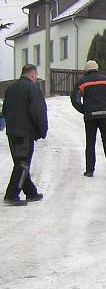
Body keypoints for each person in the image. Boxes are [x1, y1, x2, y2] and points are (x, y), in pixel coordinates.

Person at [2, 64, 47, 206]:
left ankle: (31, 192)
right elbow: (38, 111)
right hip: (25, 132)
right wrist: (42, 130)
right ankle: (12, 195)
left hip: (12, 132)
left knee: (20, 162)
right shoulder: (33, 88)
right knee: (23, 163)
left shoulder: (11, 88)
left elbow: (4, 110)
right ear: (33, 75)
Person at [71, 60, 106, 177]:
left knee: (90, 143)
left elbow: (75, 99)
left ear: (86, 70)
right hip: (105, 115)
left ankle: (90, 170)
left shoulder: (82, 82)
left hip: (90, 117)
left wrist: (84, 110)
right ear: (97, 68)